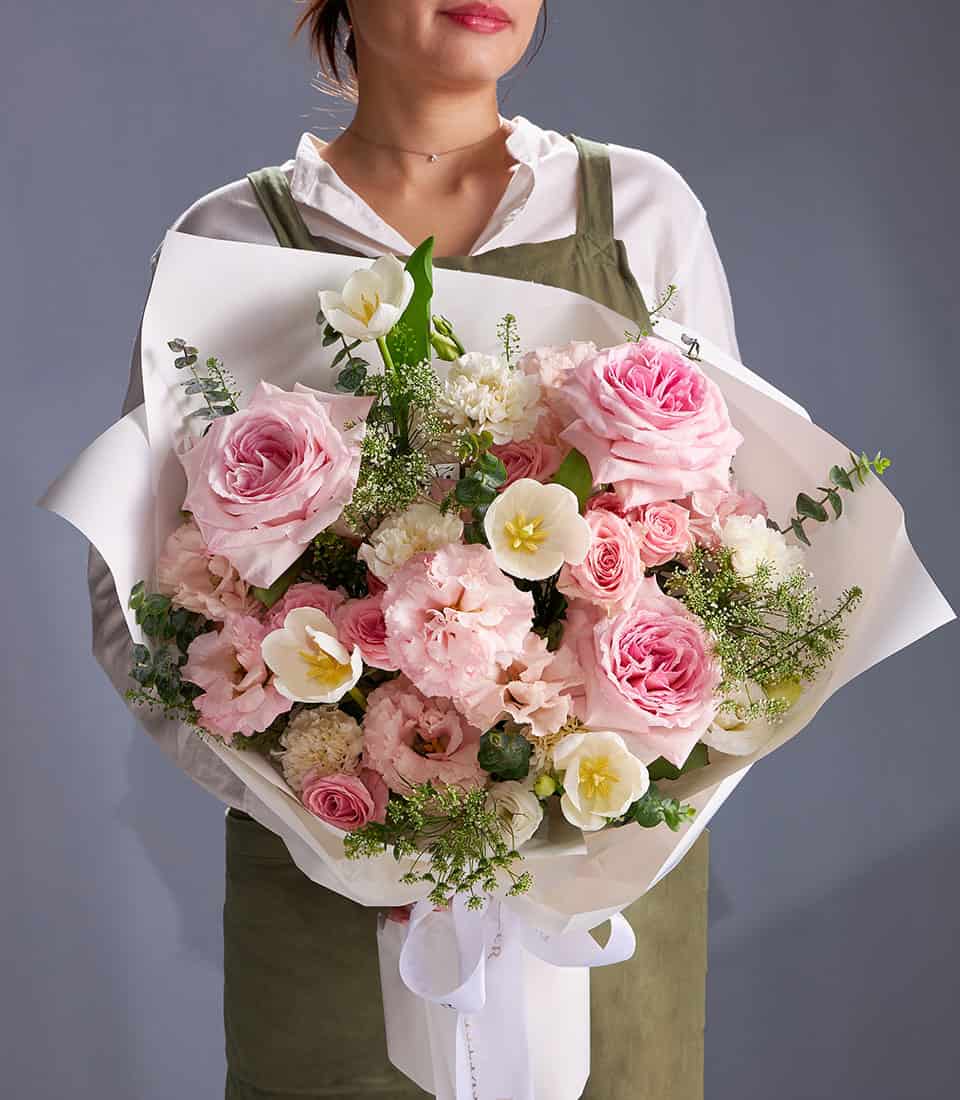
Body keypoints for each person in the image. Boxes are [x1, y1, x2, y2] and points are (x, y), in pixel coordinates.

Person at [87, 2, 741, 1097]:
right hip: (328, 887)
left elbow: (727, 532)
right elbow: (136, 603)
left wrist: (589, 814)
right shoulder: (227, 244)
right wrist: (325, 818)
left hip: (594, 882)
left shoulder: (635, 209)